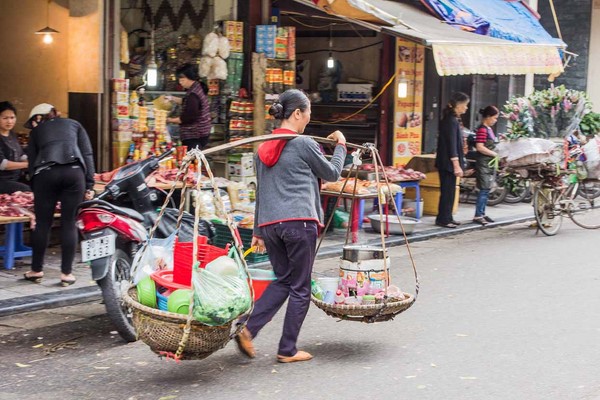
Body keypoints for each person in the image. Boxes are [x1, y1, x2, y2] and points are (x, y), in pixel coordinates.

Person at [234, 89, 347, 363]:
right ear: (297, 113)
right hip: (298, 223)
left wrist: (259, 231)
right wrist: (341, 146)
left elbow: (261, 191)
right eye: (308, 113)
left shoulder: (263, 146)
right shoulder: (304, 143)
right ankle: (287, 349)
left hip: (271, 225)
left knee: (283, 280)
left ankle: (249, 329)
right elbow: (332, 173)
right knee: (300, 286)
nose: (309, 118)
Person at [22, 104, 95, 286]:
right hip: (74, 172)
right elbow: (86, 153)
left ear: (38, 118)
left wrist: (35, 184)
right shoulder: (74, 125)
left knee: (43, 223)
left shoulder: (36, 132)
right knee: (69, 222)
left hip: (45, 174)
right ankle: (66, 274)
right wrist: (89, 184)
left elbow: (32, 163)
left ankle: (36, 270)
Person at [435, 92, 469, 228]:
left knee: (450, 191)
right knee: (447, 191)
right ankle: (443, 219)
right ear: (459, 105)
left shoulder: (452, 120)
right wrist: (456, 165)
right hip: (447, 163)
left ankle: (448, 217)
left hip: (448, 162)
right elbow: (451, 145)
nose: (466, 108)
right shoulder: (450, 121)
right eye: (465, 105)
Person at [166, 63, 211, 151]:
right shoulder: (196, 87)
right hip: (201, 133)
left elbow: (187, 118)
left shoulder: (193, 94)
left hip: (195, 135)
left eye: (182, 79)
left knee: (193, 161)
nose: (180, 82)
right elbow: (186, 102)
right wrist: (172, 98)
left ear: (189, 77)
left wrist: (168, 120)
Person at [472, 106, 500, 225]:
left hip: (488, 163)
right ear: (488, 117)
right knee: (483, 190)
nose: (495, 120)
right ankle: (478, 215)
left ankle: (482, 213)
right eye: (494, 118)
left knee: (486, 189)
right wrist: (494, 153)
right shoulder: (482, 129)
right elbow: (480, 146)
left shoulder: (488, 129)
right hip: (483, 163)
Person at [0, 101, 29, 194]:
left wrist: (30, 160)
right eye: (5, 118)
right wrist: (26, 165)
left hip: (15, 178)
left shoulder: (11, 134)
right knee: (27, 190)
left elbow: (20, 154)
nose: (9, 121)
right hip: (2, 181)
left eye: (12, 117)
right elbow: (3, 164)